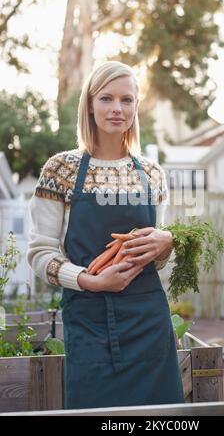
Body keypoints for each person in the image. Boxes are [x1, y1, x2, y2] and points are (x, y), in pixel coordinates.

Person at [27, 60, 185, 409]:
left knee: (159, 414)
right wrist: (91, 281)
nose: (117, 109)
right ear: (89, 104)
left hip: (148, 320)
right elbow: (40, 253)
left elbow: (160, 262)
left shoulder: (152, 174)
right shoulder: (61, 170)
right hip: (89, 317)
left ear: (136, 106)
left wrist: (165, 244)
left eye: (127, 100)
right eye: (107, 98)